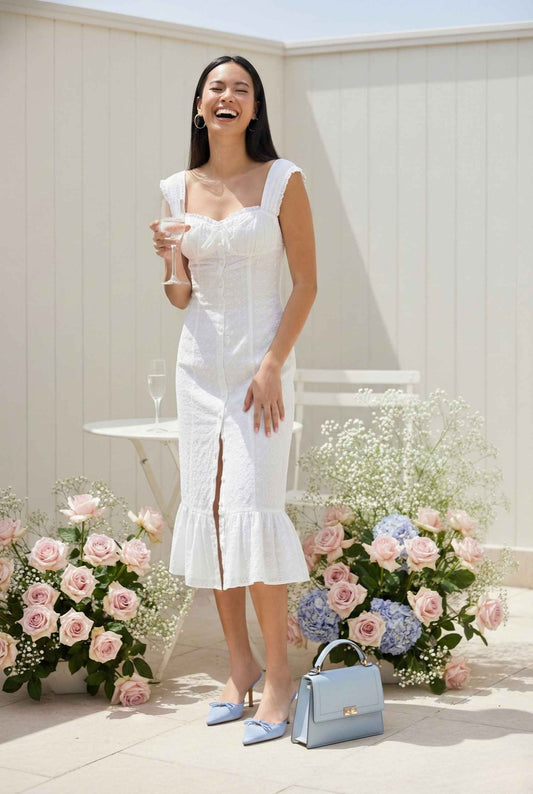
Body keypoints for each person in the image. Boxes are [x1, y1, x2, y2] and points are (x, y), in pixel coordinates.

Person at [149, 54, 317, 745]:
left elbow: (305, 283)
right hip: (196, 371)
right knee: (213, 513)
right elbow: (179, 298)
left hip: (260, 373)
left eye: (240, 89)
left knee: (251, 507)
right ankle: (239, 664)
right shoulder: (174, 186)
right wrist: (168, 258)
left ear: (254, 110)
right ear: (199, 106)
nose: (227, 96)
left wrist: (273, 364)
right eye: (216, 87)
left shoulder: (283, 179)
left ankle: (278, 673)